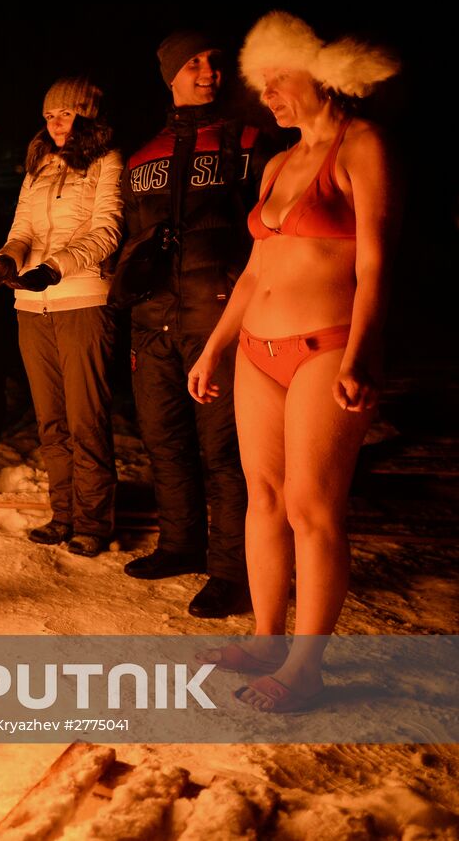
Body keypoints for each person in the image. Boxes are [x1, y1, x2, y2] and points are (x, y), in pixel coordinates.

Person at [188, 11, 398, 712]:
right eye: (263, 83)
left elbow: (374, 263)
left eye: (279, 79)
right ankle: (266, 639)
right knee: (265, 497)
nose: (269, 94)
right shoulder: (279, 163)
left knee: (312, 505)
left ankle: (306, 667)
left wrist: (363, 352)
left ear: (323, 74)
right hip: (258, 350)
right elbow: (255, 271)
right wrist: (216, 345)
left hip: (325, 346)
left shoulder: (361, 145)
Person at [109, 31, 272, 617]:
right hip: (152, 324)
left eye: (214, 62)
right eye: (193, 63)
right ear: (171, 76)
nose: (207, 72)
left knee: (224, 452)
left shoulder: (249, 142)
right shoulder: (141, 157)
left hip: (217, 321)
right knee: (165, 442)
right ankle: (181, 546)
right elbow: (131, 238)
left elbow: (267, 236)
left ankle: (232, 571)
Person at [0, 78, 123, 556]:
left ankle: (93, 523)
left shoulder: (106, 161)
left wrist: (54, 268)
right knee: (51, 419)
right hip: (32, 305)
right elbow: (22, 230)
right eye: (50, 115)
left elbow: (107, 230)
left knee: (85, 418)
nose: (55, 124)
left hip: (82, 299)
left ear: (88, 115)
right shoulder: (39, 166)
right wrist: (4, 263)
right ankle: (64, 514)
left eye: (66, 114)